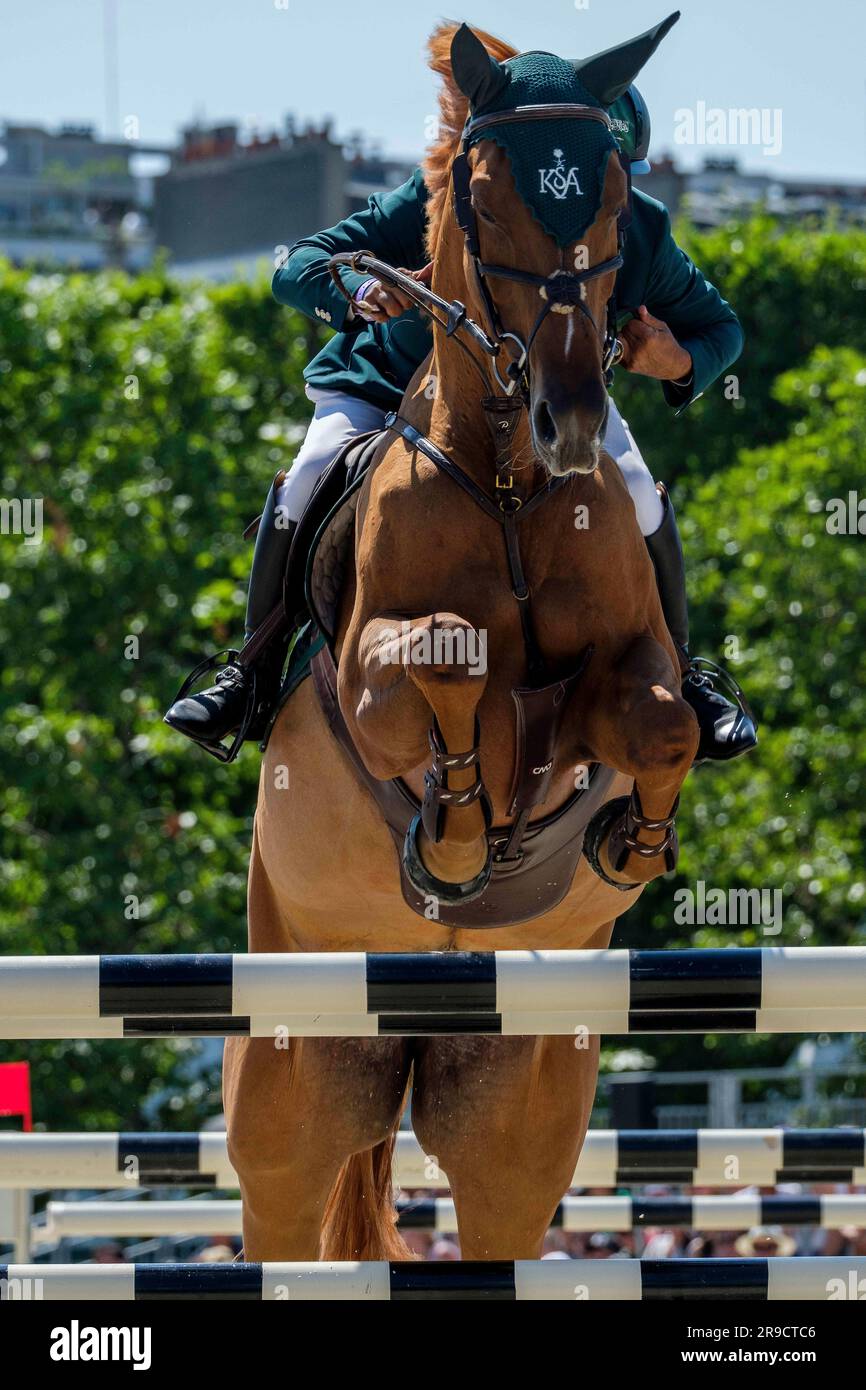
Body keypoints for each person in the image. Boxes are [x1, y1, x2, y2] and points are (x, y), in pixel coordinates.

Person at [165, 81, 757, 766]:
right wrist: (360, 291)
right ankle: (251, 676)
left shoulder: (641, 225)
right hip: (383, 386)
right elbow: (293, 267)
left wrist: (676, 359)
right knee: (305, 480)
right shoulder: (443, 199)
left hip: (548, 391)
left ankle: (685, 676)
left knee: (637, 487)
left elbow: (722, 329)